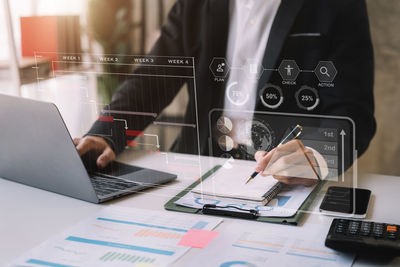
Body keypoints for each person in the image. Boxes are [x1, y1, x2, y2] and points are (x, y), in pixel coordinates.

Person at [74, 0, 375, 185]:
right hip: (195, 168)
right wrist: (106, 132)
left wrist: (316, 156)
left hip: (283, 179)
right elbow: (154, 77)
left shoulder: (339, 4)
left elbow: (352, 112)